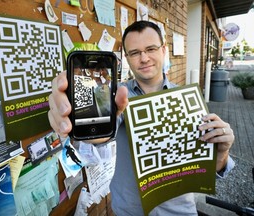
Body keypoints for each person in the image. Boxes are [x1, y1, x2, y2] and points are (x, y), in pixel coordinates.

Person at [48, 21, 235, 215]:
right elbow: (97, 142)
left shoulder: (189, 99)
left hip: (178, 210)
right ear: (127, 58)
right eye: (135, 53)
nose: (144, 58)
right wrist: (83, 127)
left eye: (150, 49)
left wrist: (221, 154)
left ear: (163, 50)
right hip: (129, 210)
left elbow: (209, 165)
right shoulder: (116, 96)